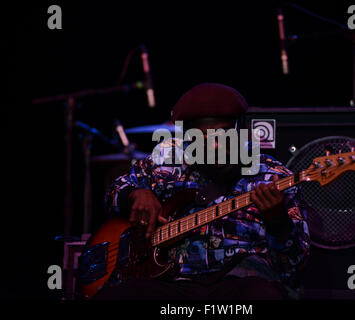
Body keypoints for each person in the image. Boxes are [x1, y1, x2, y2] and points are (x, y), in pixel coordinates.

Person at [96, 83, 310, 300]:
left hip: (240, 282)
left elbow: (295, 267)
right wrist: (135, 194)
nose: (215, 146)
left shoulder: (274, 176)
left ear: (241, 130)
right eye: (203, 139)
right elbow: (112, 193)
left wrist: (279, 223)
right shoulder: (165, 165)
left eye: (224, 135)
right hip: (170, 282)